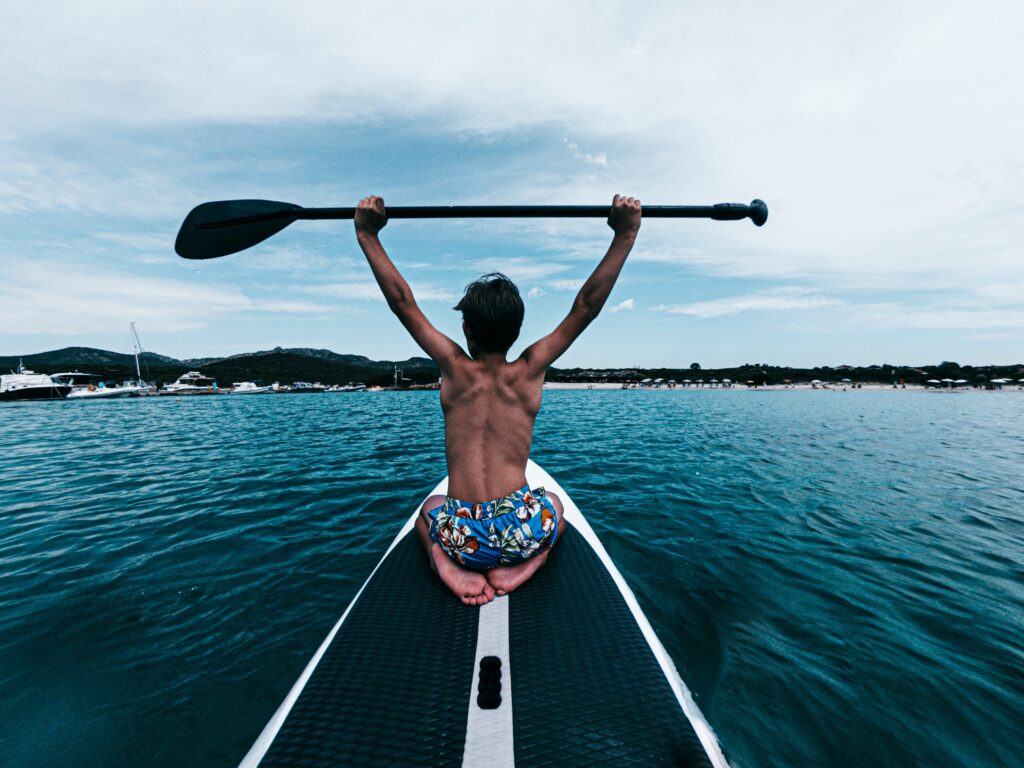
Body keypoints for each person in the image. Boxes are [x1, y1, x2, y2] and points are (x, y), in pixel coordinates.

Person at [355, 194, 642, 605]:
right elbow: (586, 306)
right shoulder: (530, 369)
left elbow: (403, 303)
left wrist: (368, 235)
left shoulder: (453, 367)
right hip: (522, 536)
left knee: (428, 510)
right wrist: (625, 233)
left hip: (463, 538)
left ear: (466, 327)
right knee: (557, 507)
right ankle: (530, 564)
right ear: (518, 329)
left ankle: (444, 563)